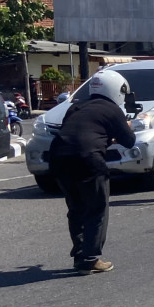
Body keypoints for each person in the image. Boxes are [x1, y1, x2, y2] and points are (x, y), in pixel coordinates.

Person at [47, 71, 136, 275]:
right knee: (97, 208)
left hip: (59, 158)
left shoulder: (76, 106)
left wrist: (108, 136)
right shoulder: (112, 110)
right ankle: (90, 258)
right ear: (116, 90)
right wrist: (124, 127)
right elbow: (129, 141)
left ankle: (80, 254)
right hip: (88, 160)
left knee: (76, 207)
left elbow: (80, 131)